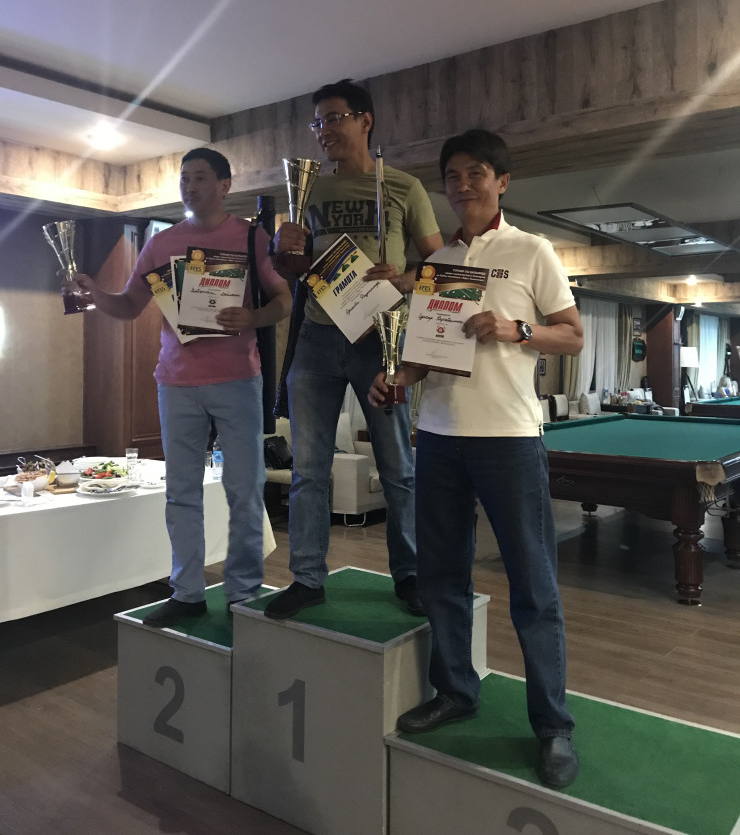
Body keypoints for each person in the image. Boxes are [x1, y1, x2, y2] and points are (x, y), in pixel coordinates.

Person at [369, 129, 583, 789]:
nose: (463, 186)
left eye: (476, 173)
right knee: (441, 575)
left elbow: (573, 335)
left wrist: (516, 330)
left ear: (502, 181)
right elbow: (427, 353)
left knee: (533, 584)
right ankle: (456, 691)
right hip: (437, 435)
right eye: (453, 176)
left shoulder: (532, 250)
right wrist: (397, 378)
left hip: (510, 439)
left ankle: (553, 725)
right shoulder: (437, 264)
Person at [72, 148, 292, 626]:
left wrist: (253, 317)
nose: (189, 187)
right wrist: (95, 294)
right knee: (181, 493)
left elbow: (284, 299)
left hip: (237, 380)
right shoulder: (162, 243)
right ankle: (187, 591)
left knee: (245, 490)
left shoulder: (251, 237)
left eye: (200, 178)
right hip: (175, 382)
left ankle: (243, 593)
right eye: (184, 178)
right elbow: (129, 305)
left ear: (224, 185)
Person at [265, 79, 444, 620]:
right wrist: (280, 250)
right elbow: (293, 271)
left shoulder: (403, 187)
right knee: (308, 468)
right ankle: (306, 578)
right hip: (317, 338)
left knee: (398, 467)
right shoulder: (309, 192)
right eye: (317, 122)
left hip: (380, 339)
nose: (324, 130)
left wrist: (404, 279)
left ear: (365, 121)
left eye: (334, 118)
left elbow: (439, 266)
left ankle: (410, 575)